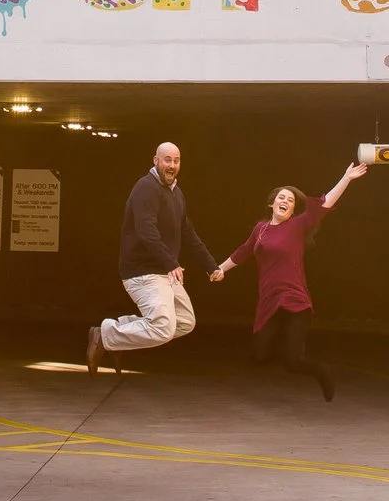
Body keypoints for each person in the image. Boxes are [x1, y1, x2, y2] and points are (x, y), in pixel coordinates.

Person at [210, 160, 366, 400]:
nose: (285, 201)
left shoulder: (297, 225)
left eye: (291, 200)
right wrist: (219, 269)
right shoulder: (260, 229)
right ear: (273, 203)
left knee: (293, 362)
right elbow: (243, 252)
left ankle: (321, 372)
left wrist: (346, 178)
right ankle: (283, 339)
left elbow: (325, 203)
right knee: (260, 355)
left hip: (295, 301)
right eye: (282, 198)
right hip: (270, 303)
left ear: (293, 210)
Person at [87, 141, 217, 373]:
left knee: (185, 321)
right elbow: (146, 231)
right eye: (167, 160)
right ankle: (106, 335)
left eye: (176, 161)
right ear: (155, 161)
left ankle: (115, 334)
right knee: (163, 328)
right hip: (143, 272)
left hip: (164, 273)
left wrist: (210, 265)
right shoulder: (145, 188)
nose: (172, 165)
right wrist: (171, 263)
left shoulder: (176, 193)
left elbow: (188, 232)